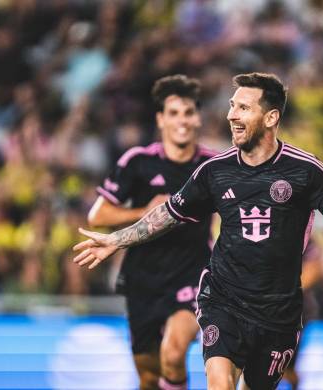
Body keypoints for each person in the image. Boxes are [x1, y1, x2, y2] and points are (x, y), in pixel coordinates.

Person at [74, 72, 323, 390]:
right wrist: (115, 239)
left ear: (271, 118)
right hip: (222, 299)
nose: (232, 116)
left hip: (279, 312)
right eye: (231, 106)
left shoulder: (306, 171)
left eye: (243, 108)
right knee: (219, 382)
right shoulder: (214, 171)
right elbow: (167, 214)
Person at [87, 74, 217, 390]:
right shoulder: (139, 162)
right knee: (148, 376)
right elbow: (97, 216)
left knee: (173, 354)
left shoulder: (214, 167)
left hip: (193, 275)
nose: (182, 121)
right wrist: (144, 212)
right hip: (142, 278)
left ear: (198, 117)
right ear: (160, 119)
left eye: (188, 112)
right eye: (173, 113)